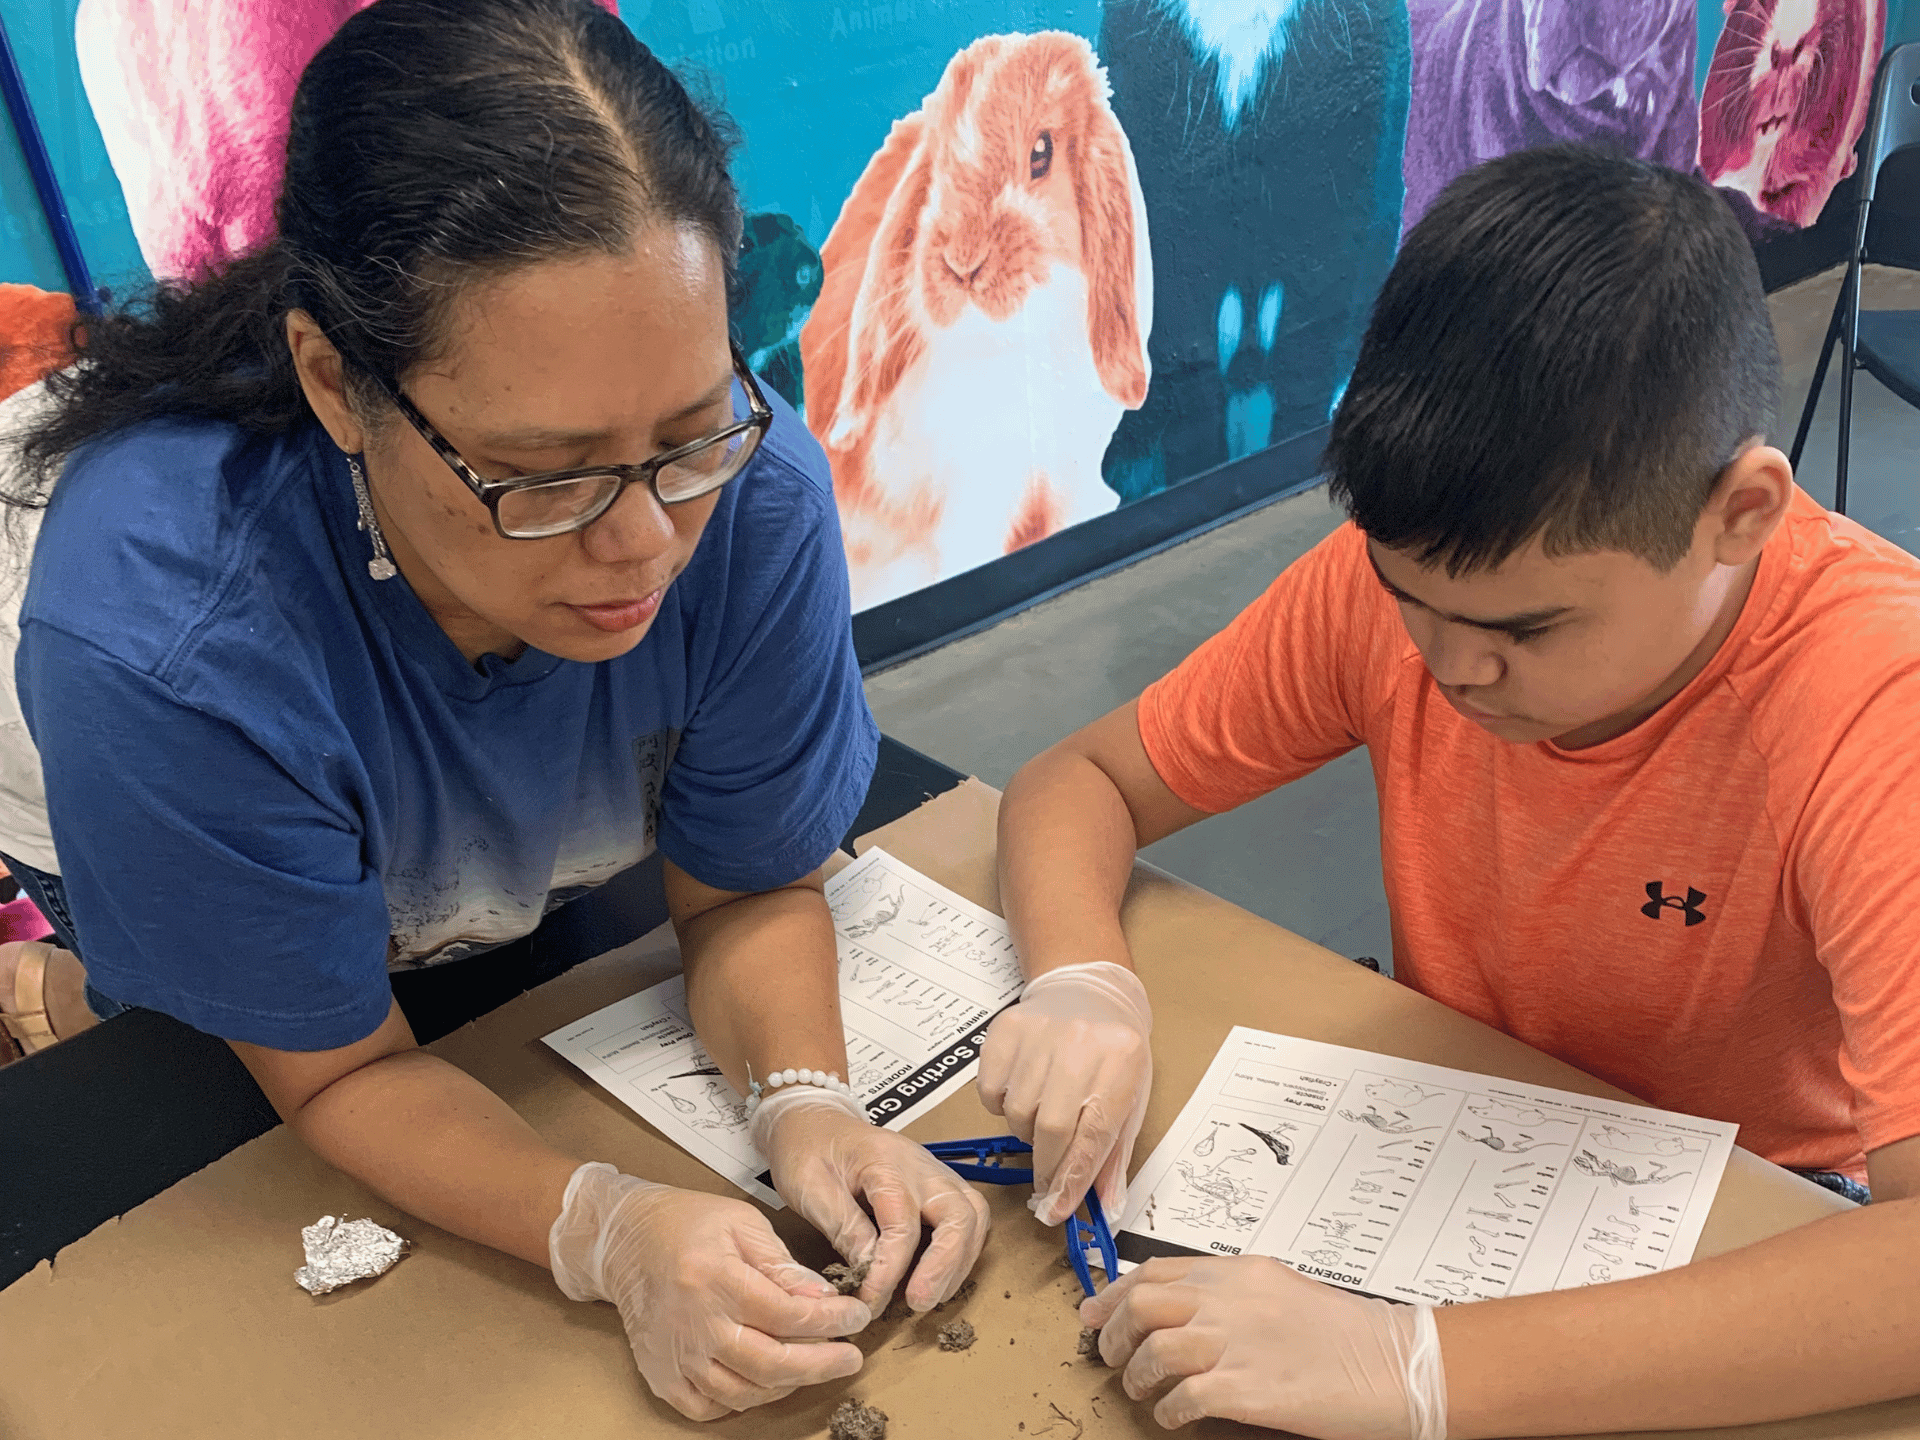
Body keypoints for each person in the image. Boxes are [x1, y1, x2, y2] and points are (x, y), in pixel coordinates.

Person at [0, 0, 993, 1418]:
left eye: (687, 434)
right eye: (547, 474)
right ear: (338, 383)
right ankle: (49, 989)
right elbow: (335, 1074)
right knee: (193, 1029)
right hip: (115, 751)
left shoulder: (752, 500)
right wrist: (601, 1228)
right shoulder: (165, 646)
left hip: (403, 803)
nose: (646, 545)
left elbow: (745, 887)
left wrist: (807, 1102)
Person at [1001, 145, 1920, 1437]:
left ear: (1741, 513)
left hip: (1762, 1223)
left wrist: (1419, 1368)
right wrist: (1081, 980)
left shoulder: (1875, 700)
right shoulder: (1417, 586)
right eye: (1409, 600)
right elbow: (1080, 780)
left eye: (1527, 630)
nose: (1451, 668)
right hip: (1456, 1140)